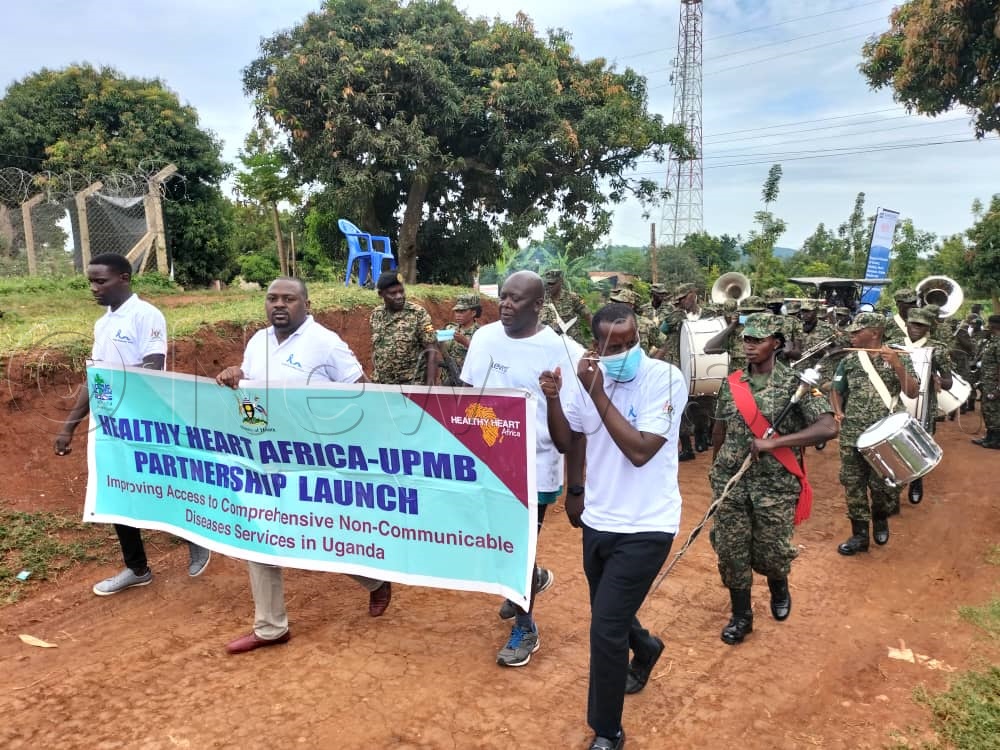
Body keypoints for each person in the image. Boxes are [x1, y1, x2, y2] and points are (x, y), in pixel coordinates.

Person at [216, 277, 391, 654]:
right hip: (264, 457)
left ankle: (373, 581)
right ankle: (270, 626)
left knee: (319, 534)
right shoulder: (257, 342)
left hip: (315, 460)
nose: (279, 304)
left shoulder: (326, 343)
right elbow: (250, 387)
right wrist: (235, 375)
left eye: (289, 299)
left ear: (306, 304)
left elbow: (364, 393)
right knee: (258, 536)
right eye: (272, 298)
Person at [541, 302, 686, 750]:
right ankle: (644, 648)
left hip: (648, 525)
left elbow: (640, 450)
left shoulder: (665, 378)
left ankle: (607, 731)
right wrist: (553, 398)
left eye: (631, 342)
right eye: (613, 345)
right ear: (596, 344)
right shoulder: (588, 379)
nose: (624, 352)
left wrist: (598, 392)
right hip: (600, 521)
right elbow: (568, 440)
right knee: (612, 613)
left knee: (604, 629)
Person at [54, 253, 211, 595]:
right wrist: (70, 425)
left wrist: (125, 397)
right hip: (110, 424)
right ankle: (136, 568)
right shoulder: (102, 324)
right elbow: (95, 378)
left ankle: (196, 538)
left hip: (144, 420)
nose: (94, 288)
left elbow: (153, 366)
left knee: (163, 483)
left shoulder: (146, 315)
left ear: (124, 278)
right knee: (116, 491)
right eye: (90, 282)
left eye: (101, 281)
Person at [460, 270, 581, 667]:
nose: (506, 305)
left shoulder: (560, 350)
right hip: (488, 460)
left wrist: (576, 486)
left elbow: (573, 422)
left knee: (514, 544)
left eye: (517, 300)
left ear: (538, 305)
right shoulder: (483, 338)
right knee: (498, 539)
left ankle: (526, 628)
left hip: (535, 464)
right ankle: (531, 578)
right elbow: (467, 394)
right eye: (504, 297)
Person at [709, 313, 837, 645]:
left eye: (759, 340)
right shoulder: (732, 382)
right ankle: (741, 616)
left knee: (771, 551)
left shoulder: (798, 384)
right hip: (732, 481)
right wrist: (716, 471)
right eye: (747, 340)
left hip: (775, 485)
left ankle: (779, 584)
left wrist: (775, 442)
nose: (750, 346)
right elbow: (720, 428)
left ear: (776, 344)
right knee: (731, 550)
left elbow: (828, 426)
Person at [830, 313, 919, 555]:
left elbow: (912, 392)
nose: (853, 335)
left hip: (885, 434)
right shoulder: (849, 360)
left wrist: (898, 365)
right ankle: (859, 535)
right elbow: (837, 390)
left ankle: (880, 517)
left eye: (858, 331)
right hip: (852, 434)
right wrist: (838, 411)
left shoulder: (898, 356)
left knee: (884, 486)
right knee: (853, 483)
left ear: (875, 333)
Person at [900, 306, 953, 504]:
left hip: (924, 406)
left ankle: (916, 480)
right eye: (913, 324)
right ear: (906, 324)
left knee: (919, 446)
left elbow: (949, 382)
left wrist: (937, 378)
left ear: (928, 327)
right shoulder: (893, 345)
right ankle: (894, 486)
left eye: (921, 325)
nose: (916, 328)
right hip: (897, 403)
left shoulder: (937, 348)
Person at [661, 282, 712, 458]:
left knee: (702, 406)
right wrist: (677, 314)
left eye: (685, 297)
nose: (683, 301)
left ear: (693, 294)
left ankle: (701, 438)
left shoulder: (709, 313)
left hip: (702, 366)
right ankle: (686, 448)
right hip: (678, 366)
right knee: (680, 407)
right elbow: (663, 329)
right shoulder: (676, 315)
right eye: (680, 299)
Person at [370, 271, 440, 386]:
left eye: (401, 291)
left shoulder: (418, 314)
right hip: (382, 386)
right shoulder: (376, 315)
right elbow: (376, 350)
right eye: (393, 293)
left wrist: (430, 388)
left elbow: (431, 351)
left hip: (411, 385)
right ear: (380, 294)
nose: (399, 296)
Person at [540, 268, 593, 346]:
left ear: (560, 281)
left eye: (553, 283)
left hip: (574, 344)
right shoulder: (541, 300)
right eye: (548, 283)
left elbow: (588, 316)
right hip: (551, 345)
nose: (549, 286)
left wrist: (598, 336)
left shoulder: (572, 297)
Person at [439, 293, 481, 385]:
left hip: (467, 382)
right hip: (446, 380)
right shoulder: (449, 329)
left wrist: (465, 342)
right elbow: (435, 343)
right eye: (456, 311)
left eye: (462, 311)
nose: (458, 315)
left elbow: (484, 356)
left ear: (473, 313)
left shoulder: (480, 333)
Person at [972, 314, 1000, 448]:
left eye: (990, 324)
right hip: (987, 382)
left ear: (995, 325)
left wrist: (998, 389)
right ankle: (989, 436)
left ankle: (996, 440)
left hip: (994, 383)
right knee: (987, 409)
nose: (987, 326)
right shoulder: (992, 340)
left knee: (994, 410)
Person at [610, 288, 664, 356]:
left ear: (631, 306)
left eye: (621, 303)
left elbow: (664, 345)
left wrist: (651, 363)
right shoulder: (609, 325)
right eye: (617, 303)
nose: (617, 306)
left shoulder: (646, 324)